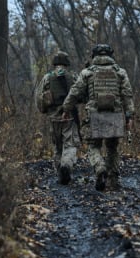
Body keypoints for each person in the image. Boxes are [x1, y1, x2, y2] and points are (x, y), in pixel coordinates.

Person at [62, 44, 134, 191]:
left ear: (94, 56)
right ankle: (112, 179)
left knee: (93, 146)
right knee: (112, 147)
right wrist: (129, 116)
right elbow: (127, 95)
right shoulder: (120, 72)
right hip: (114, 113)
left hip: (94, 114)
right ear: (111, 55)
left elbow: (75, 92)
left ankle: (100, 168)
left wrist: (66, 108)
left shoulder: (87, 73)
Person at [35, 51, 80, 184]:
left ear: (54, 63)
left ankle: (60, 171)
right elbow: (81, 93)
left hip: (53, 117)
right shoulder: (73, 76)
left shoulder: (47, 77)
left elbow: (39, 97)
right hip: (69, 116)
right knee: (70, 144)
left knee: (57, 146)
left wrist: (44, 110)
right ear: (67, 63)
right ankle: (66, 166)